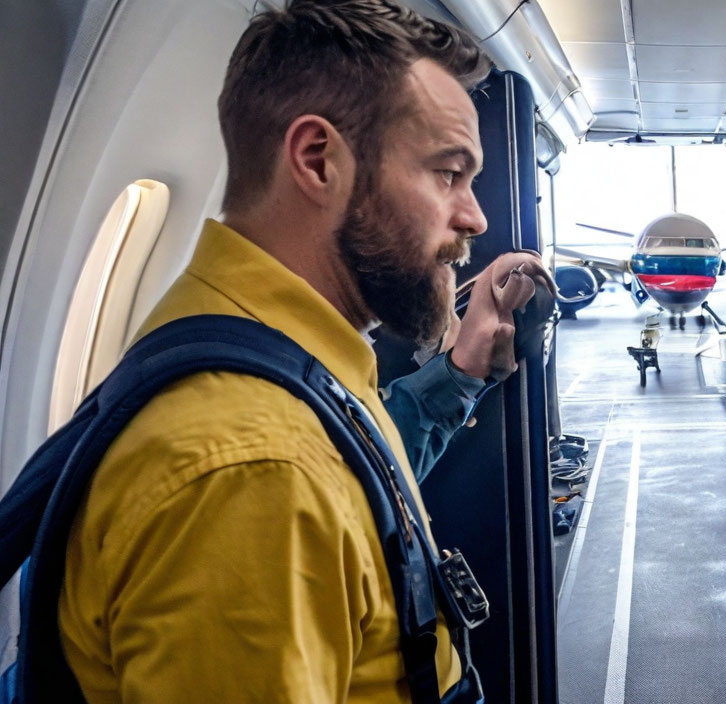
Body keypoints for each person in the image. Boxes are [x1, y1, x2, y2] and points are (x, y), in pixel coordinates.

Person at [54, 0, 546, 700]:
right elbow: (303, 477)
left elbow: (358, 476)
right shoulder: (252, 473)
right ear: (319, 161)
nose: (475, 217)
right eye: (448, 173)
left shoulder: (264, 352)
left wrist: (462, 369)